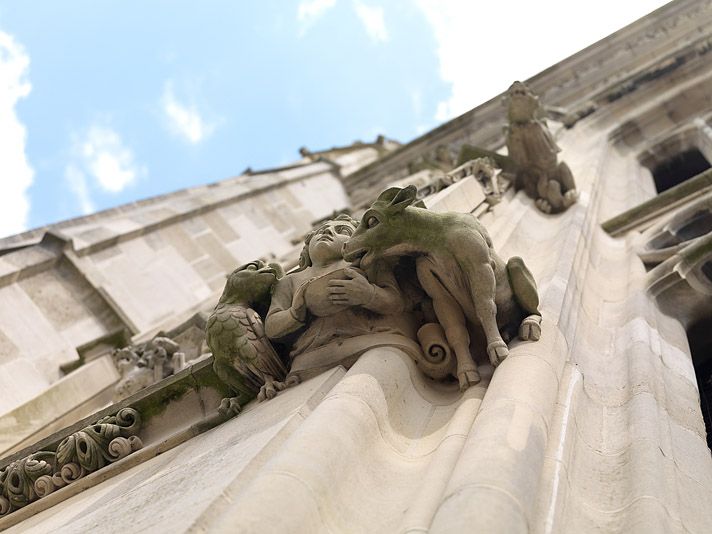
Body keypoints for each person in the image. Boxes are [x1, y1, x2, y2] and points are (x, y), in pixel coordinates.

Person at [265, 214, 411, 380]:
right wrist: (295, 312)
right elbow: (271, 327)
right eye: (320, 231)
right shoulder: (289, 281)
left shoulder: (368, 262)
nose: (328, 231)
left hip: (372, 340)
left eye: (342, 230)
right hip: (311, 359)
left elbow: (395, 302)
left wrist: (368, 294)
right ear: (306, 248)